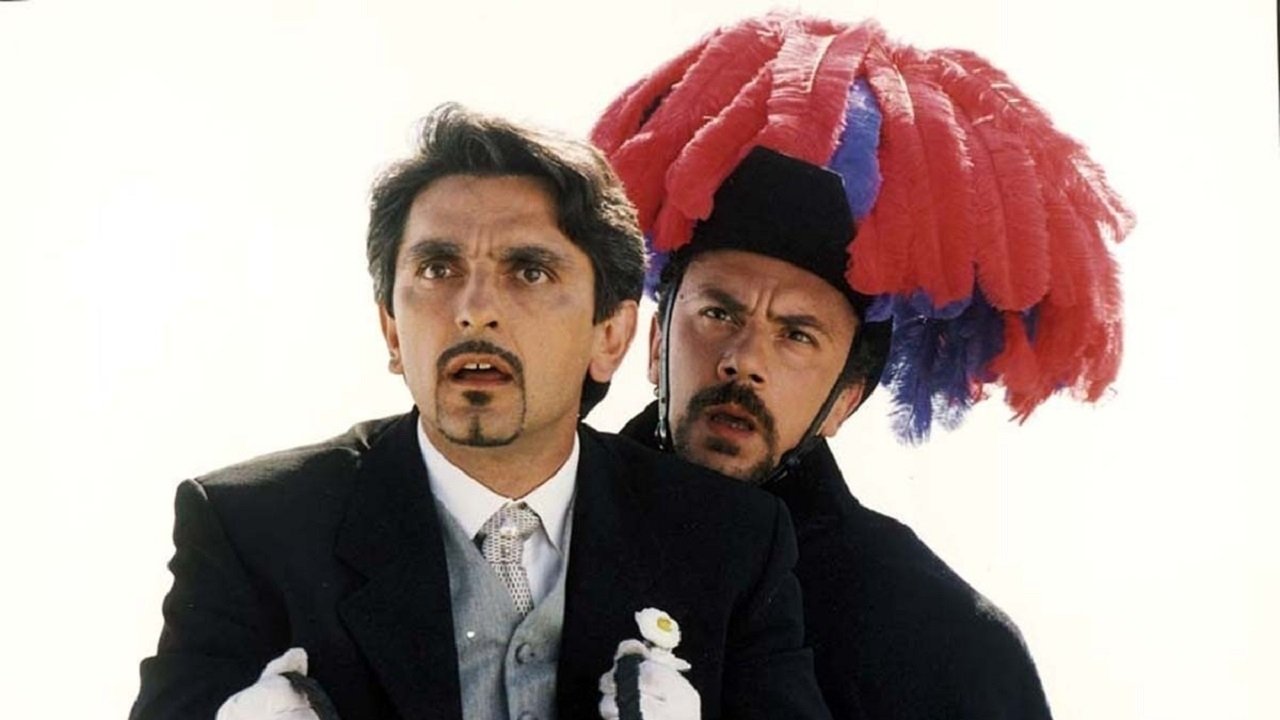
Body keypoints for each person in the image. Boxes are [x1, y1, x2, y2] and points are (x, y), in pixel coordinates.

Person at [130, 103, 832, 720]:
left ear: (610, 335)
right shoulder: (250, 529)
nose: (474, 310)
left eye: (529, 271)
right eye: (437, 269)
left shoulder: (731, 542)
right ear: (392, 330)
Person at [593, 12, 1133, 720]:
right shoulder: (535, 531)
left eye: (796, 335)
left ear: (848, 397)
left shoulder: (941, 642)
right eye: (719, 314)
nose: (743, 361)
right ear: (657, 342)